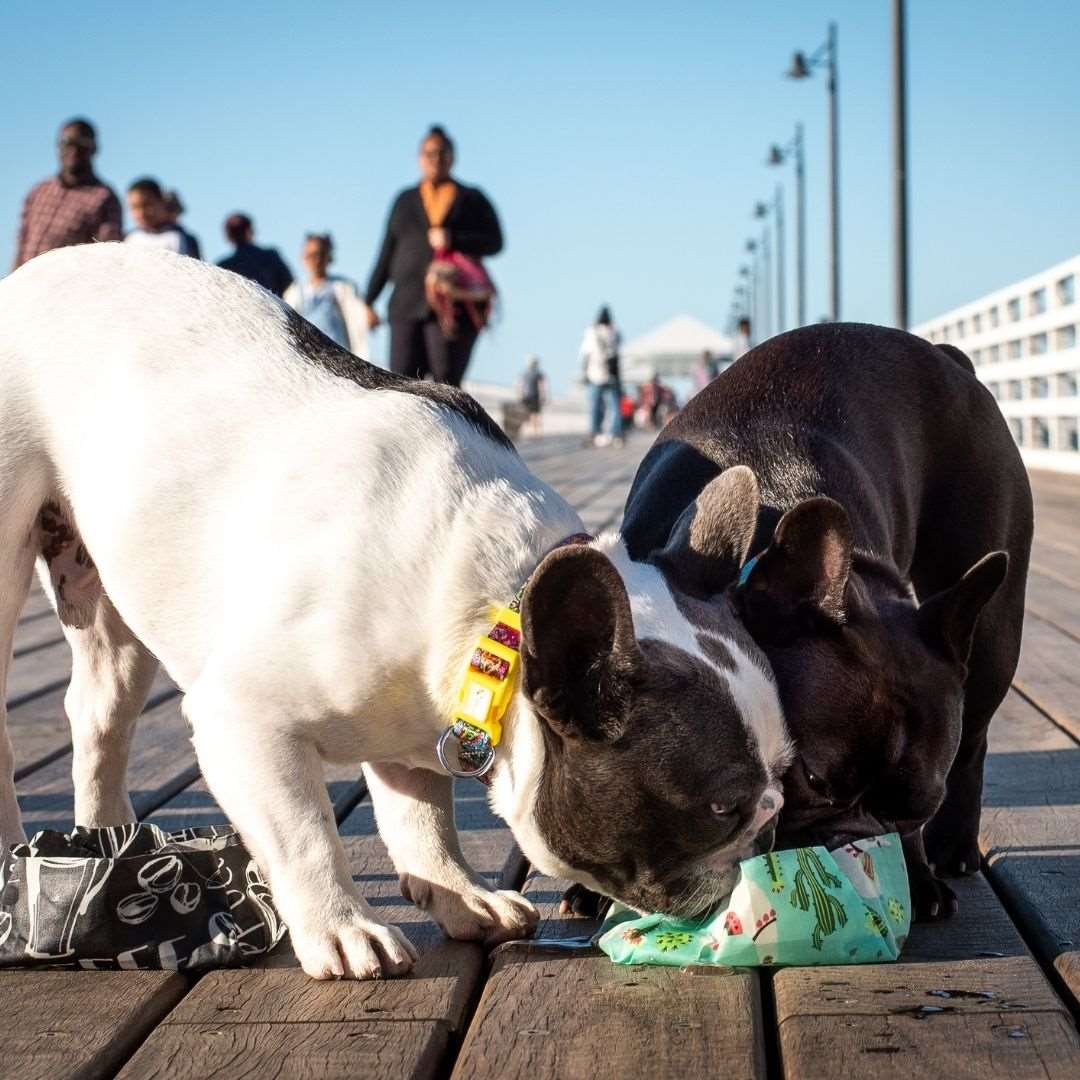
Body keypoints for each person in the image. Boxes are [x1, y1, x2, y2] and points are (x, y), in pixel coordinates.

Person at [365, 125, 503, 387]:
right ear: (419, 158)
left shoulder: (472, 198)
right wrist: (369, 300)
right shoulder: (404, 200)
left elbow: (496, 242)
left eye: (442, 153)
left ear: (452, 157)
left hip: (453, 307)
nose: (435, 159)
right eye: (429, 153)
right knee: (402, 384)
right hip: (406, 302)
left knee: (446, 383)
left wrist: (455, 238)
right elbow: (386, 251)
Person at [13, 117, 123, 270]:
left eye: (82, 144)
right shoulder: (38, 191)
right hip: (25, 287)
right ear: (58, 146)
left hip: (65, 289)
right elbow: (21, 244)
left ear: (95, 149)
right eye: (67, 142)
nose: (74, 150)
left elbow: (106, 258)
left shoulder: (104, 198)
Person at [283, 233, 368, 355]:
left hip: (337, 352)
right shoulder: (295, 291)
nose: (315, 260)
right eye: (310, 255)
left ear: (328, 257)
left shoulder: (342, 287)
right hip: (306, 354)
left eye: (319, 255)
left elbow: (357, 314)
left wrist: (367, 314)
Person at [217, 213, 293, 297]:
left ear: (228, 236)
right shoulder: (271, 256)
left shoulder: (223, 266)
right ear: (250, 231)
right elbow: (290, 287)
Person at [580, 306, 624, 447]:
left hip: (595, 373)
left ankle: (594, 433)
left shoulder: (591, 332)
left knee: (595, 405)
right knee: (615, 406)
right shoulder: (615, 332)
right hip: (611, 374)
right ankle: (616, 434)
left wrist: (584, 373)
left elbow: (585, 354)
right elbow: (617, 353)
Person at [124, 178, 200, 256]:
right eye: (134, 207)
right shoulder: (131, 238)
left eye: (147, 205)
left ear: (162, 202)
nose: (141, 213)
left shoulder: (181, 238)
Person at [162, 190, 202, 259]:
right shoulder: (144, 234)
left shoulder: (189, 239)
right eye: (167, 209)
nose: (169, 214)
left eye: (172, 210)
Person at [517, 355, 547, 436]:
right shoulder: (538, 373)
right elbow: (541, 386)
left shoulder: (524, 373)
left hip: (526, 396)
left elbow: (520, 384)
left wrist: (520, 395)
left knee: (528, 413)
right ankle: (535, 431)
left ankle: (530, 431)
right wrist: (543, 396)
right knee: (535, 414)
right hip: (535, 396)